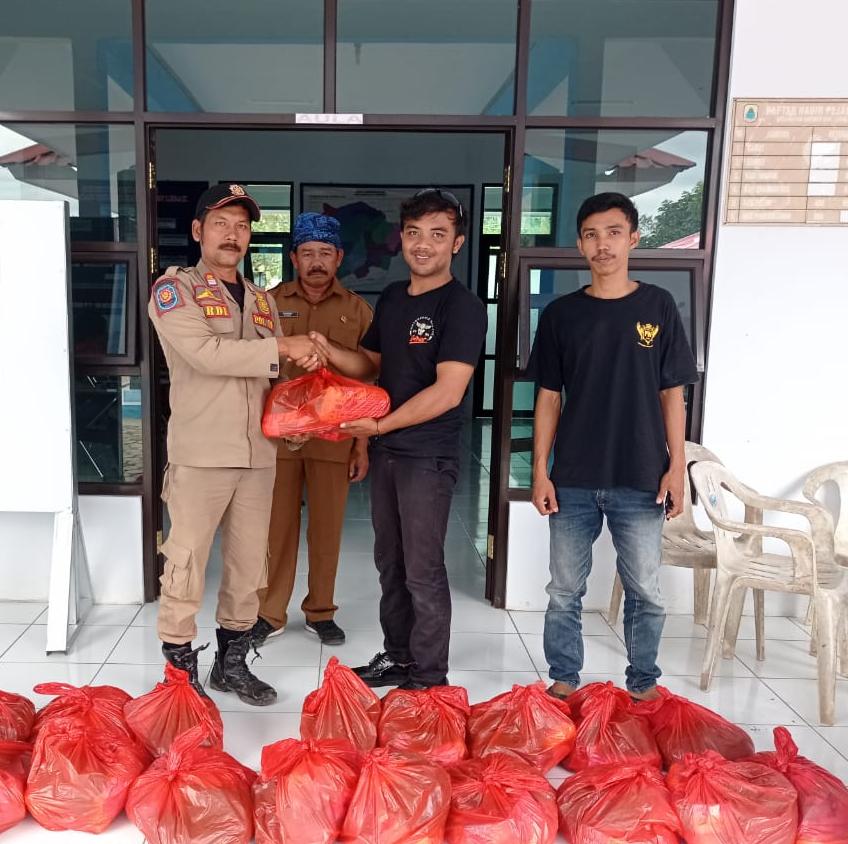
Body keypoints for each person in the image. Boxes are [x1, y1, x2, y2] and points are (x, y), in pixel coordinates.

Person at [148, 183, 324, 706]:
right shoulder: (174, 290)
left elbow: (268, 377)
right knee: (185, 561)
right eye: (221, 223)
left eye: (243, 225)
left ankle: (232, 664)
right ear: (198, 230)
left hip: (257, 454)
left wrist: (305, 398)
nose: (233, 234)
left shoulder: (261, 300)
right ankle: (180, 677)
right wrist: (281, 347)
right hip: (201, 453)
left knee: (250, 565)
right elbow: (206, 353)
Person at [310, 188, 487, 690]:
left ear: (457, 242)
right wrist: (328, 350)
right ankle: (399, 655)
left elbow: (448, 391)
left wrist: (380, 427)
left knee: (423, 568)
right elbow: (371, 365)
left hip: (426, 457)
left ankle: (429, 677)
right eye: (414, 234)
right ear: (402, 239)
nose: (423, 245)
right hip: (387, 452)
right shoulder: (390, 298)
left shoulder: (463, 307)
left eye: (437, 234)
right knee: (390, 561)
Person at [530, 191, 699, 702]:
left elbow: (674, 394)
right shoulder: (562, 314)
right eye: (591, 234)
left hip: (641, 474)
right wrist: (541, 470)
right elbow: (548, 398)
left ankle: (644, 685)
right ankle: (563, 682)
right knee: (563, 591)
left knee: (646, 590)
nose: (602, 244)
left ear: (633, 238)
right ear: (579, 244)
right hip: (574, 477)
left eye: (613, 232)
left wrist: (676, 470)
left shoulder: (658, 306)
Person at [250, 213, 373, 649]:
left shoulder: (357, 309)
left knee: (326, 529)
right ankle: (270, 612)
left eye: (325, 253)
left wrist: (362, 444)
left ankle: (321, 611)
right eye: (307, 253)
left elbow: (367, 379)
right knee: (275, 530)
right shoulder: (265, 303)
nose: (316, 261)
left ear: (338, 257)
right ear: (293, 258)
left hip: (333, 440)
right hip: (278, 439)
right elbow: (253, 371)